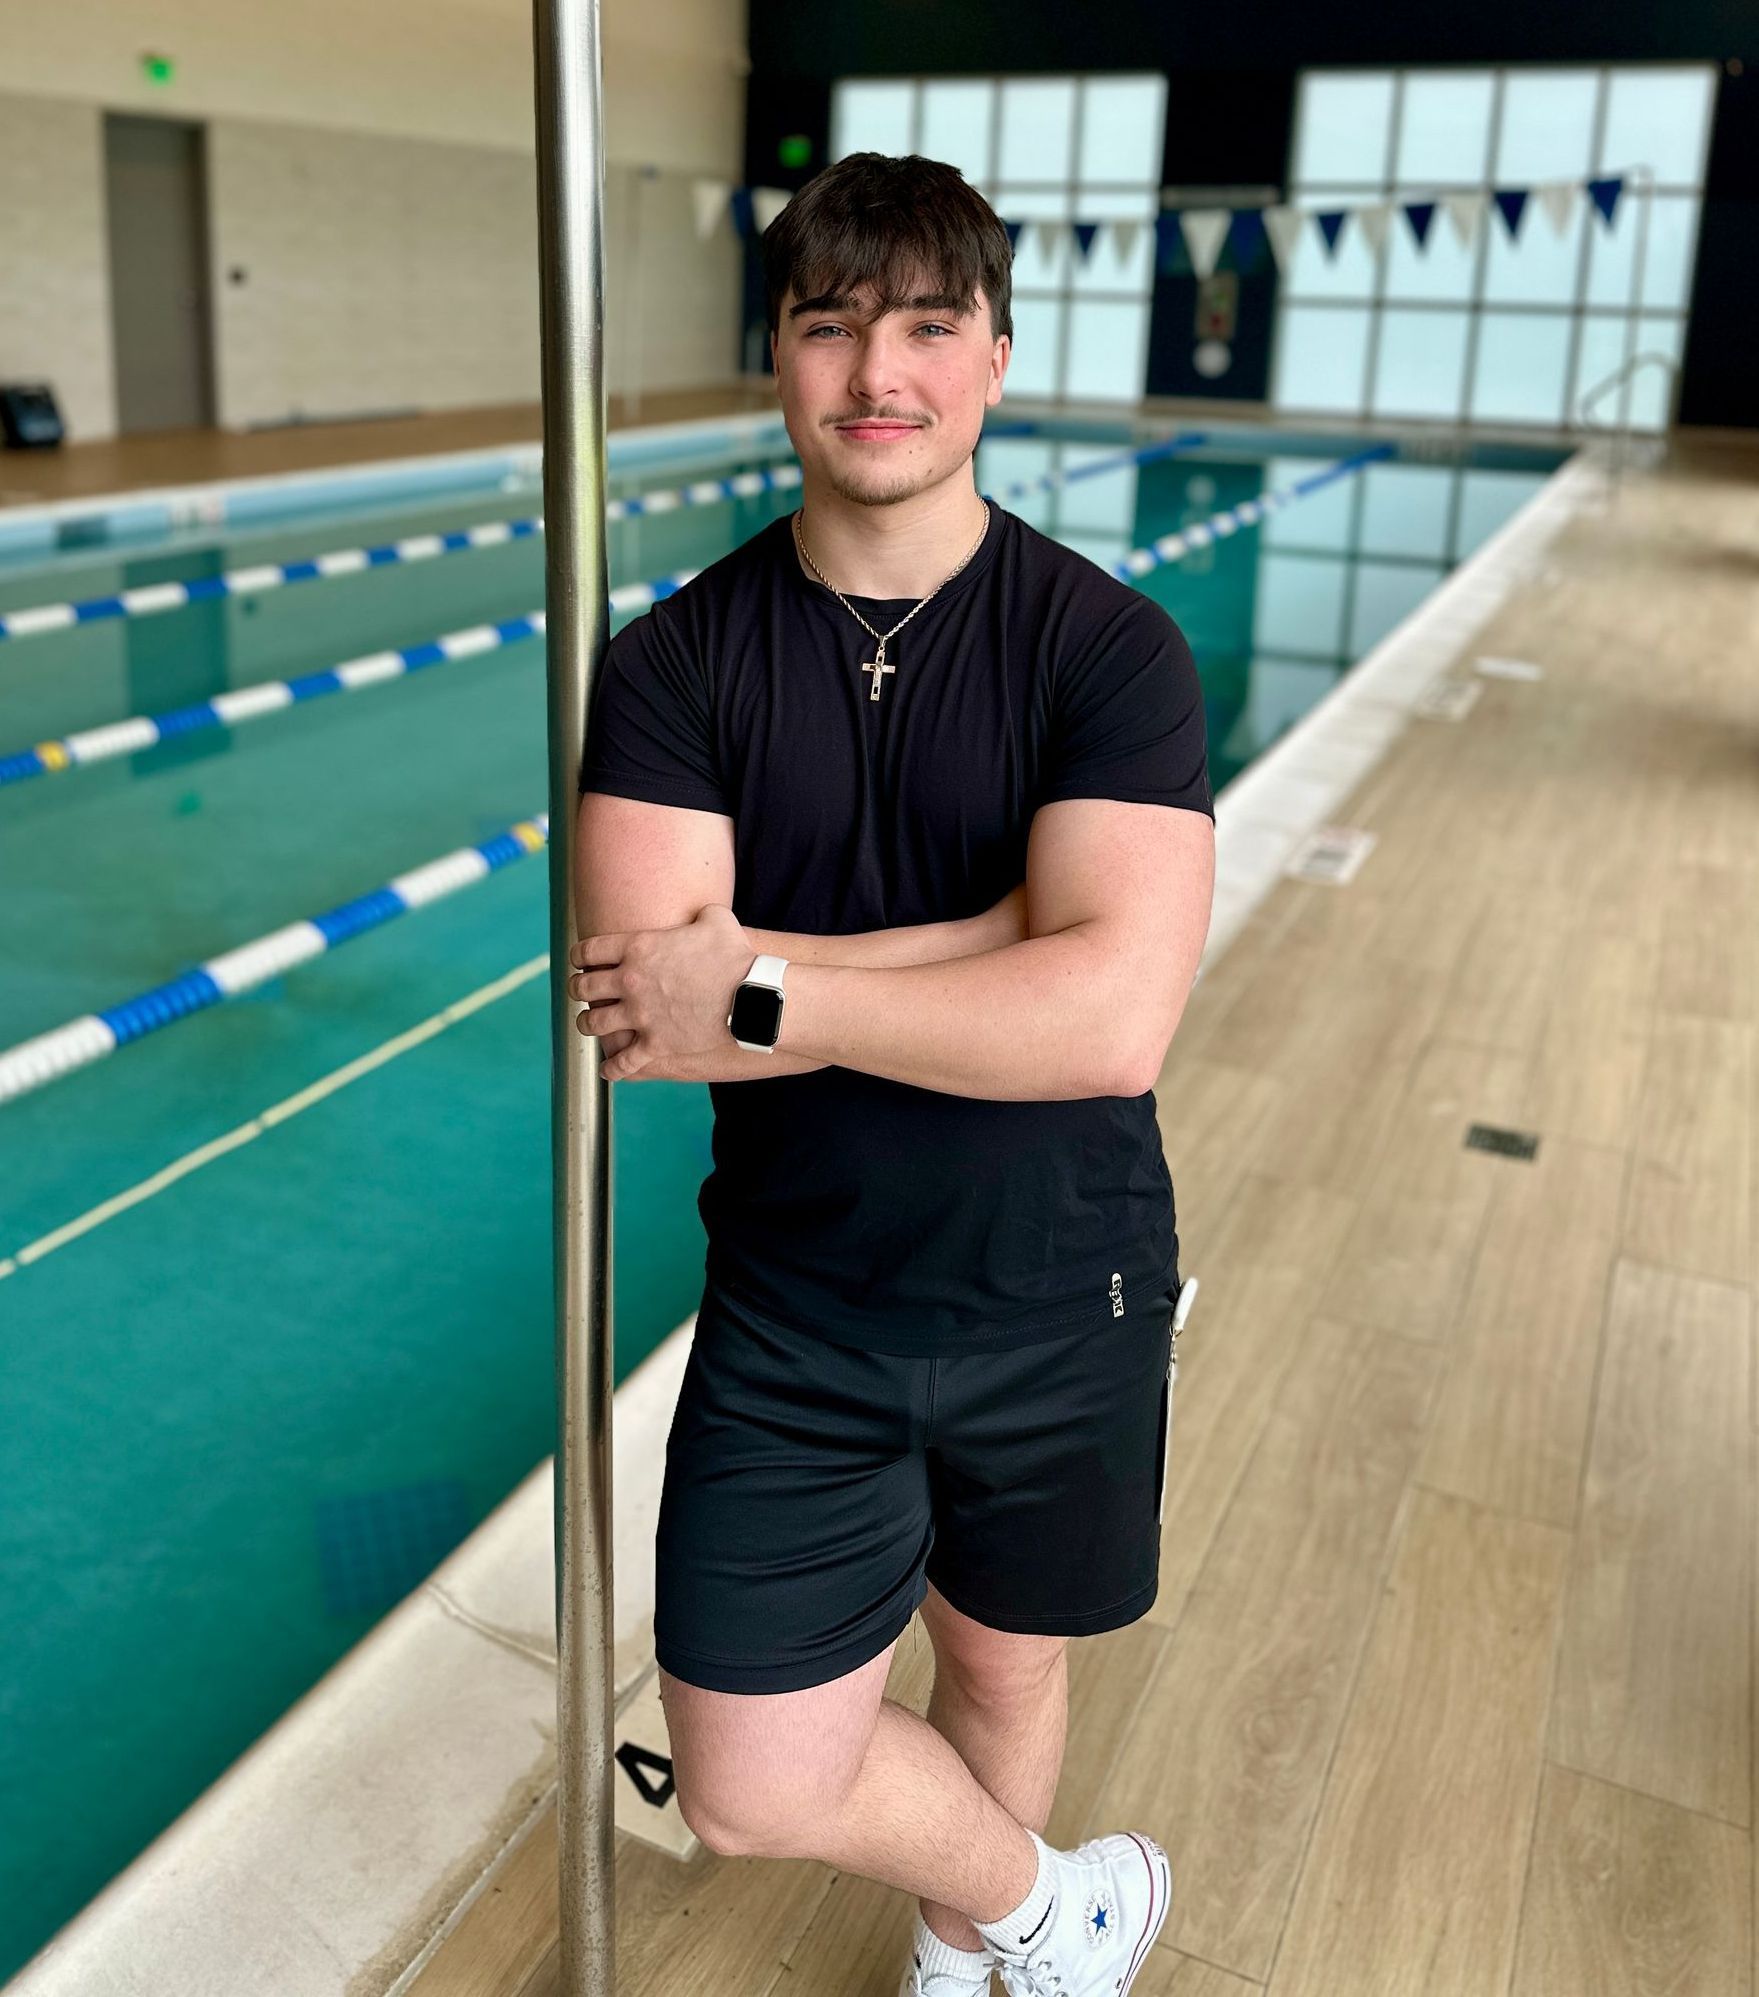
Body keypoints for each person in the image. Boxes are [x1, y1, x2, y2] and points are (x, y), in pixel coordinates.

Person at [569, 151, 1214, 1997]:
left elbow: (1109, 1024)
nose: (879, 371)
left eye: (929, 325)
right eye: (832, 323)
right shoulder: (677, 665)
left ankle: (967, 1955)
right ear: (778, 357)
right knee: (749, 1779)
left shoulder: (1109, 648)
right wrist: (999, 934)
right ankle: (1045, 1907)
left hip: (1060, 1270)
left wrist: (771, 984)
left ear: (995, 356)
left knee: (1004, 1658)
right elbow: (646, 1010)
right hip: (802, 1300)